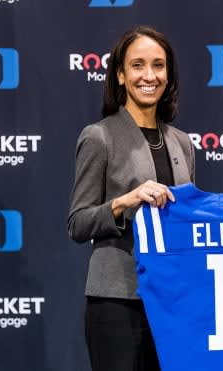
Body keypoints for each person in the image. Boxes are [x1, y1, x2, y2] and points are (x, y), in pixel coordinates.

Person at [67, 26, 195, 371]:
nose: (149, 76)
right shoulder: (99, 137)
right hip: (117, 300)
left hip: (172, 297)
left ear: (169, 75)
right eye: (138, 66)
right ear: (121, 75)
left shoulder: (182, 141)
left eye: (158, 65)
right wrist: (125, 202)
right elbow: (78, 223)